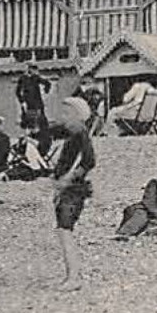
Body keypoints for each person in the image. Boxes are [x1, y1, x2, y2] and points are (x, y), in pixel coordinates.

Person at [48, 97, 96, 290]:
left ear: (79, 116)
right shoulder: (74, 135)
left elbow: (89, 161)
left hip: (73, 191)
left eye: (67, 113)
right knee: (63, 231)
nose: (63, 117)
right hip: (68, 190)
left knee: (65, 231)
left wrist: (67, 180)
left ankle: (73, 277)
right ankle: (72, 275)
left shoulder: (80, 134)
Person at [16, 62, 51, 134]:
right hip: (27, 104)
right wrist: (22, 102)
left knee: (40, 119)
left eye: (33, 68)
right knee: (27, 121)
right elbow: (17, 92)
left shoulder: (36, 78)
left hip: (37, 103)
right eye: (30, 68)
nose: (31, 70)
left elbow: (47, 83)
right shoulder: (22, 79)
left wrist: (45, 91)